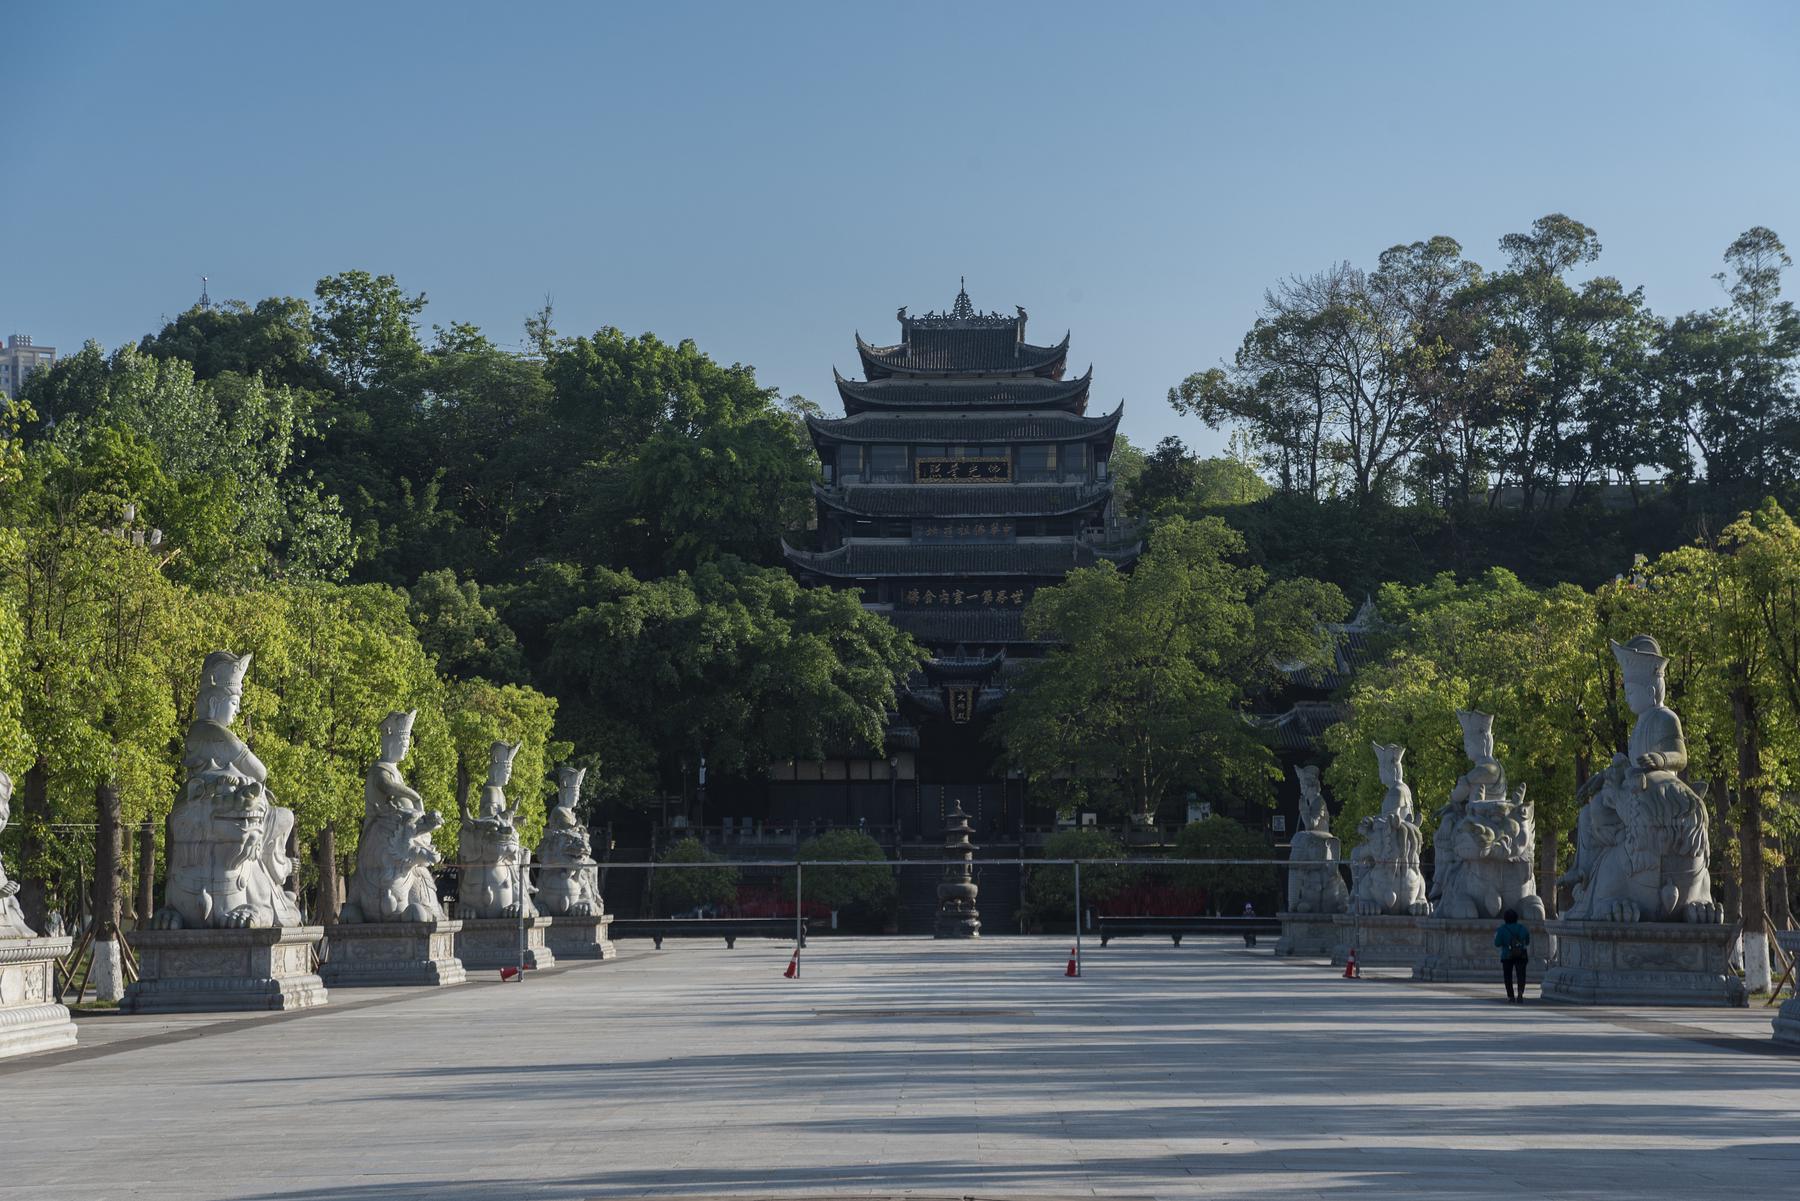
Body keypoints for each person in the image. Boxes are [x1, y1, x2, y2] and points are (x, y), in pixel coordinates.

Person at [1495, 907, 1531, 1003]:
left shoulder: (1502, 929)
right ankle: (1520, 992)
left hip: (1507, 955)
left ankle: (1511, 996)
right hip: (1521, 955)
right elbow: (1527, 942)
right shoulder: (1522, 928)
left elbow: (1497, 943)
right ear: (1516, 918)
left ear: (1505, 919)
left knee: (1508, 976)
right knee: (1521, 974)